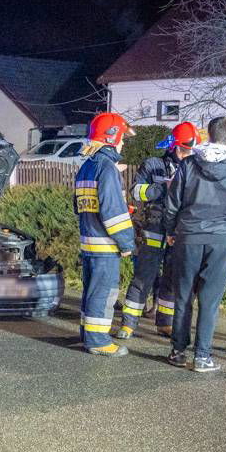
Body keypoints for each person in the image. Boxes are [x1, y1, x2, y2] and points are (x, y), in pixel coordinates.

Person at [162, 116, 226, 372]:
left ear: (207, 135)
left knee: (183, 297)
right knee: (209, 301)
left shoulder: (188, 165)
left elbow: (172, 203)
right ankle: (202, 357)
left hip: (188, 237)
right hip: (221, 240)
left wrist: (170, 231)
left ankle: (178, 351)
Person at [117, 121, 200, 340]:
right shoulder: (153, 165)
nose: (184, 155)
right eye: (182, 149)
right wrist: (163, 187)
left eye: (189, 150)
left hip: (178, 234)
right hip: (154, 231)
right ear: (173, 146)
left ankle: (165, 323)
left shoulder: (193, 167)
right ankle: (128, 324)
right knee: (143, 277)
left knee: (172, 280)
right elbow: (136, 192)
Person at [74, 112, 136, 357]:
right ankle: (98, 340)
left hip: (89, 240)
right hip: (106, 245)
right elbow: (111, 212)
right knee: (104, 292)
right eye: (122, 138)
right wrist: (126, 241)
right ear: (113, 136)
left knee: (91, 291)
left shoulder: (87, 166)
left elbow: (78, 205)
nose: (123, 143)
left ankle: (88, 334)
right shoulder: (107, 167)